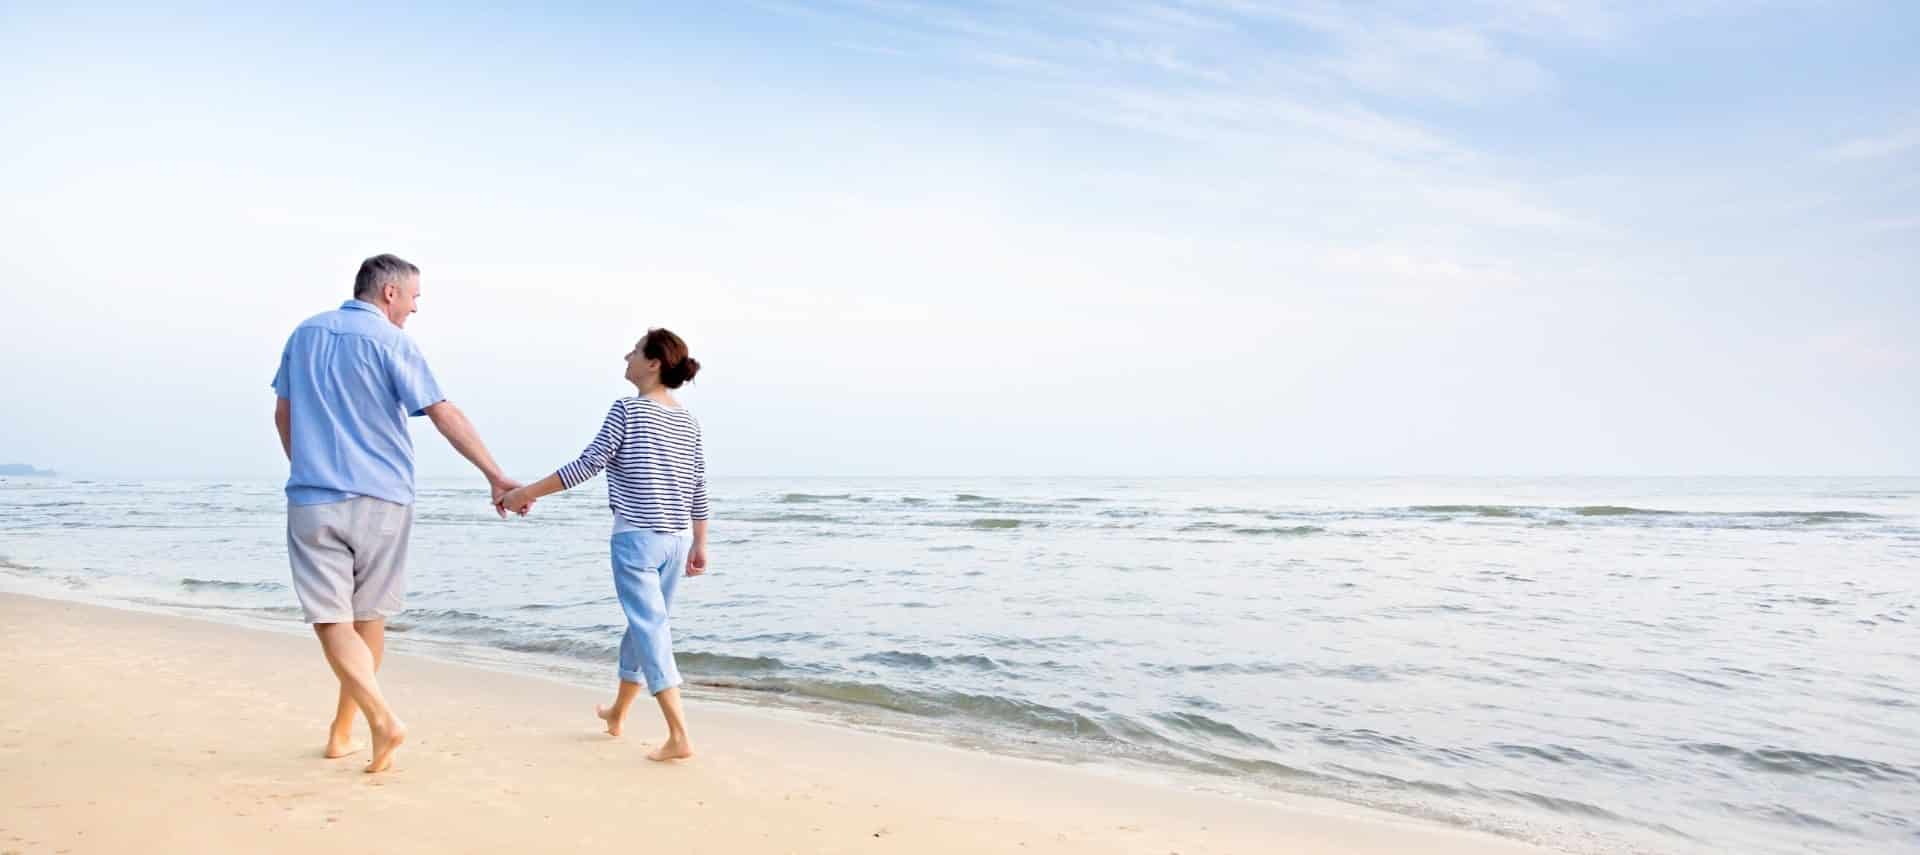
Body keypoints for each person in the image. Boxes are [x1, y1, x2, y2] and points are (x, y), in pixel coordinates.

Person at [271, 253, 522, 773]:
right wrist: (494, 475)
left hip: (316, 497)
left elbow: (283, 413)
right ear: (389, 293)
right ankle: (353, 730)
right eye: (413, 298)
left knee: (331, 619)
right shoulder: (392, 341)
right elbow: (441, 411)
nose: (413, 309)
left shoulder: (304, 334)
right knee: (369, 619)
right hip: (384, 498)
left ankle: (365, 725)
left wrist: (310, 464)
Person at [497, 328, 710, 761]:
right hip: (676, 540)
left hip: (637, 539)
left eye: (633, 351)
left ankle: (679, 735)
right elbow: (698, 485)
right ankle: (617, 714)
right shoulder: (687, 419)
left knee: (650, 629)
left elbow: (588, 464)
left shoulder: (628, 411)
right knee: (645, 625)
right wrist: (700, 543)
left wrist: (525, 494)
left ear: (653, 363)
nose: (626, 356)